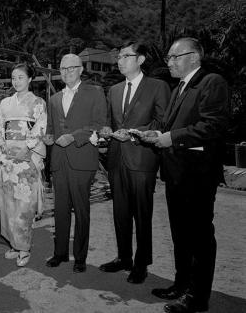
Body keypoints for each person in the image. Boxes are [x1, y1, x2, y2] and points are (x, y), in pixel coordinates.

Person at [142, 38, 229, 313]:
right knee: (180, 235)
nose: (169, 62)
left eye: (174, 57)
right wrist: (157, 135)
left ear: (193, 57)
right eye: (169, 58)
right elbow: (173, 126)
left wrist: (172, 138)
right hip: (176, 174)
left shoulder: (211, 82)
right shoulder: (179, 87)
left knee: (199, 238)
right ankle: (181, 285)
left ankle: (197, 297)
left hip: (198, 175)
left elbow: (212, 126)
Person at [98, 41, 170, 284]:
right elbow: (109, 121)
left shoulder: (157, 86)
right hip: (117, 159)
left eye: (125, 56)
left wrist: (133, 132)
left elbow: (162, 123)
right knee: (120, 213)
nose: (119, 61)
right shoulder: (114, 90)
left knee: (142, 213)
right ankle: (124, 258)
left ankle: (142, 263)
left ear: (140, 60)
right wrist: (107, 130)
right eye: (118, 57)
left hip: (142, 158)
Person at [43, 53, 107, 273]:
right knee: (59, 210)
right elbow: (51, 128)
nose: (67, 72)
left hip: (82, 159)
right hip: (59, 161)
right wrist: (47, 138)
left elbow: (100, 123)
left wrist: (74, 136)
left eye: (71, 68)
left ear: (81, 69)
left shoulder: (95, 92)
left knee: (81, 210)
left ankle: (80, 256)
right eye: (63, 69)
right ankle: (60, 253)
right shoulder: (53, 99)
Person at [0, 63, 47, 267]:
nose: (16, 81)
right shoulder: (5, 103)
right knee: (9, 205)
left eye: (21, 77)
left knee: (25, 206)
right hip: (8, 163)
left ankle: (24, 248)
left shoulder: (38, 103)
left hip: (26, 163)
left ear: (30, 79)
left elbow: (40, 128)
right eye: (13, 78)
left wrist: (28, 148)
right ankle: (14, 245)